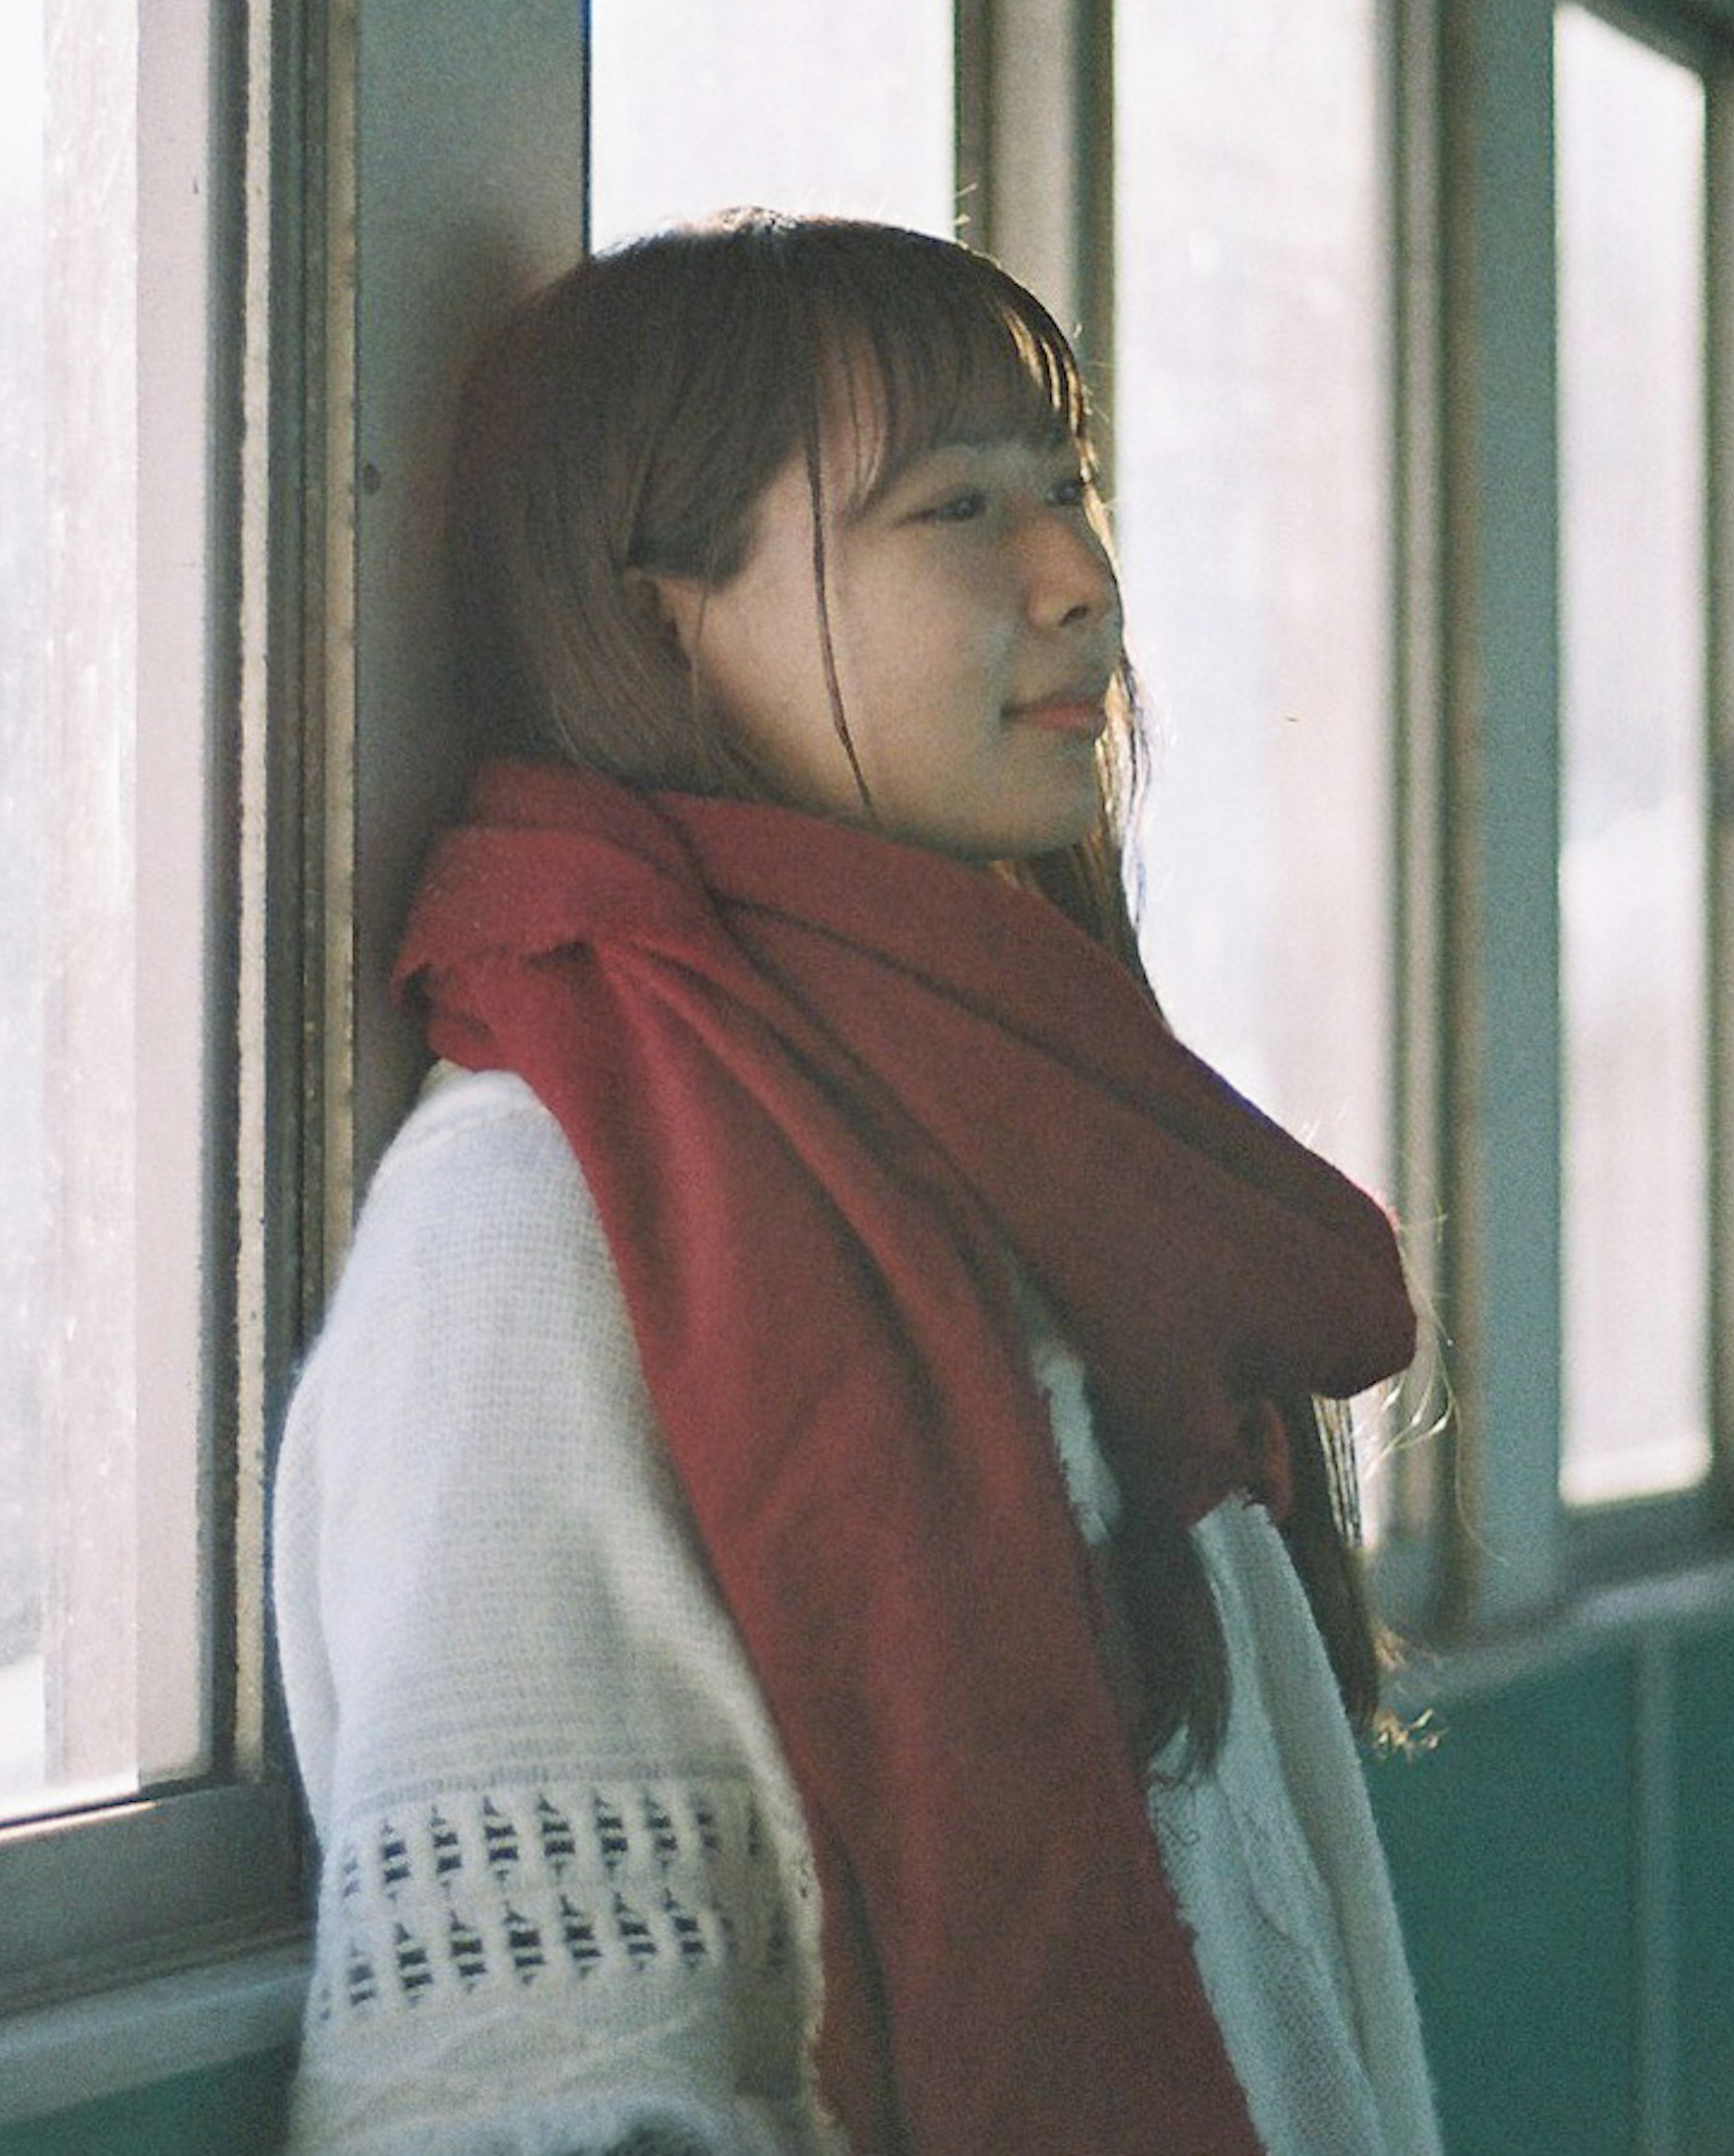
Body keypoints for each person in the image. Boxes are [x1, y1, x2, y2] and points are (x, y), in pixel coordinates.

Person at [271, 212, 1441, 2156]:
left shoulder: (1040, 1144)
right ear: (666, 619)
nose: (1082, 575)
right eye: (954, 508)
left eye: (1068, 489)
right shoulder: (535, 1215)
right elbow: (518, 2105)